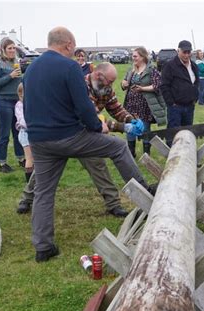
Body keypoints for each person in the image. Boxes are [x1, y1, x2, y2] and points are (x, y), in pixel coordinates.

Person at [23, 27, 150, 262]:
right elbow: (83, 107)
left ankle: (43, 247)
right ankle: (145, 191)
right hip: (69, 136)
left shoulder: (31, 69)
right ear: (69, 45)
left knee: (44, 192)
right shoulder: (71, 67)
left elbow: (28, 103)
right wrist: (96, 126)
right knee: (118, 147)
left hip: (39, 140)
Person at [17, 62, 144, 217]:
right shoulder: (80, 85)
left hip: (88, 136)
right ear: (98, 75)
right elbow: (93, 116)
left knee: (98, 166)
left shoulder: (105, 88)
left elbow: (115, 108)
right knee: (44, 170)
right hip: (71, 133)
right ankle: (26, 199)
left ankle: (113, 205)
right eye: (109, 81)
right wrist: (123, 127)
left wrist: (130, 120)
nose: (110, 85)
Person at [122, 46, 166, 156]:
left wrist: (142, 89)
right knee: (130, 126)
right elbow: (124, 82)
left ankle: (146, 154)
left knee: (145, 128)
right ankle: (131, 153)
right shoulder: (131, 70)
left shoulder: (151, 70)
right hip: (130, 105)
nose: (133, 58)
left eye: (135, 56)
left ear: (142, 57)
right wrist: (123, 83)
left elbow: (157, 85)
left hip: (145, 105)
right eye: (133, 56)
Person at [0, 38, 25, 173]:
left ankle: (21, 158)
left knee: (18, 132)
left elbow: (18, 81)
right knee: (4, 134)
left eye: (13, 48)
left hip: (17, 102)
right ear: (3, 49)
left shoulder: (16, 62)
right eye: (9, 48)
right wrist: (10, 76)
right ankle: (2, 163)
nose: (12, 50)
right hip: (3, 102)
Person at [161, 40, 199, 146]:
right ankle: (171, 157)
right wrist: (171, 102)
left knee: (187, 133)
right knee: (173, 133)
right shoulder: (170, 66)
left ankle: (186, 156)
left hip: (189, 106)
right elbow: (164, 85)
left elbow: (196, 83)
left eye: (188, 52)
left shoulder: (194, 66)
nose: (187, 55)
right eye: (184, 52)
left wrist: (195, 97)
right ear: (178, 51)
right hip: (175, 107)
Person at [14, 83, 34, 183]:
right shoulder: (19, 105)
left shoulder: (31, 104)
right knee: (29, 158)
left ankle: (36, 181)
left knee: (36, 158)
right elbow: (23, 121)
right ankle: (29, 183)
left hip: (33, 133)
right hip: (25, 134)